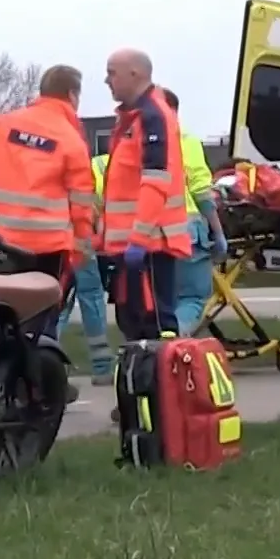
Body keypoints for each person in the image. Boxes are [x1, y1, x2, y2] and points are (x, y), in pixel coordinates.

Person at [0, 64, 97, 402]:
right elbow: (81, 201)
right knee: (37, 321)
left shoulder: (4, 125)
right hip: (46, 247)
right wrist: (81, 246)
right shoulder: (71, 139)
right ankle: (35, 387)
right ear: (72, 95)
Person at [100, 48, 191, 338]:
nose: (106, 80)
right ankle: (142, 381)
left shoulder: (152, 115)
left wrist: (138, 240)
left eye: (112, 72)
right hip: (133, 246)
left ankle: (162, 382)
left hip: (149, 245)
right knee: (134, 325)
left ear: (135, 73)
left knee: (155, 327)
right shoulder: (134, 117)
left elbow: (155, 180)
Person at [159, 87, 227, 334]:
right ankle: (172, 346)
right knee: (192, 298)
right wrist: (218, 232)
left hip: (145, 230)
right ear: (174, 111)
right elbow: (200, 188)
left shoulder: (132, 141)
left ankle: (150, 353)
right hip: (185, 226)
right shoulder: (185, 140)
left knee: (158, 300)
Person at [56, 150, 117, 384]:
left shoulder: (94, 164)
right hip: (80, 239)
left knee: (58, 303)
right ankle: (102, 368)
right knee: (91, 299)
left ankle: (48, 363)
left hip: (55, 238)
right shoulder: (108, 169)